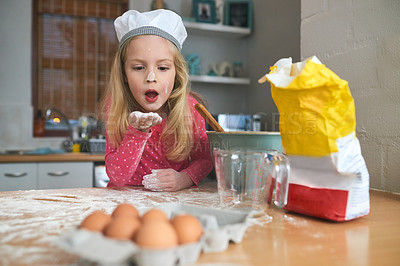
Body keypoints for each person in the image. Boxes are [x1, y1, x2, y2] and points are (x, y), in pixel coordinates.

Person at [102, 9, 213, 192]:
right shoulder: (115, 107)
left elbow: (205, 159)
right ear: (123, 74)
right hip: (124, 202)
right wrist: (137, 132)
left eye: (162, 67)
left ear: (176, 72)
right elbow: (117, 177)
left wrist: (183, 179)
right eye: (138, 67)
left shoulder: (190, 108)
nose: (151, 77)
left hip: (172, 203)